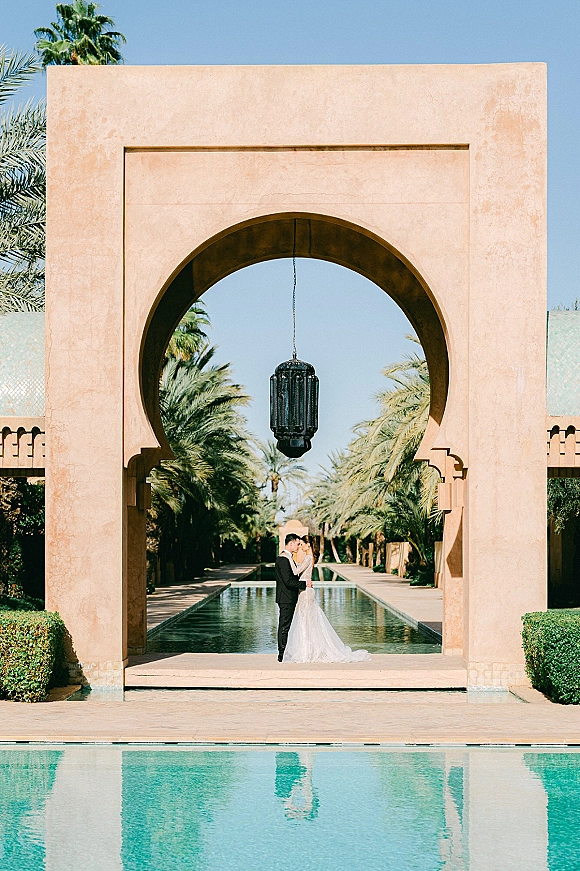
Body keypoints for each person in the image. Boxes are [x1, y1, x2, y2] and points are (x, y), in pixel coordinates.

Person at [283, 536, 371, 663]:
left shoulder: (308, 558)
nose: (300, 547)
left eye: (302, 544)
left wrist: (288, 558)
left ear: (308, 545)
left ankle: (308, 651)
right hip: (306, 591)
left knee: (306, 621)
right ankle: (309, 649)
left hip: (306, 593)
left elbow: (296, 572)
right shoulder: (310, 558)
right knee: (308, 622)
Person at [275, 533, 310, 662]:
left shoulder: (288, 558)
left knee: (286, 626)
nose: (298, 546)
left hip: (288, 597)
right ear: (290, 543)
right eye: (297, 543)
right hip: (286, 598)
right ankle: (282, 654)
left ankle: (284, 652)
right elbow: (288, 581)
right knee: (284, 626)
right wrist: (305, 584)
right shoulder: (283, 559)